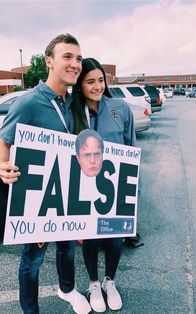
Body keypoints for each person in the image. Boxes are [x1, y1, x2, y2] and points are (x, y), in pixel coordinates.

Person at [0, 33, 91, 314]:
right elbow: (2, 142)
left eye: (79, 58)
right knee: (33, 258)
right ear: (49, 61)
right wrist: (1, 165)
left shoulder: (76, 102)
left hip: (69, 194)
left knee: (68, 249)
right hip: (39, 199)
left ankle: (68, 289)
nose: (75, 64)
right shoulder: (28, 103)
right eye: (67, 57)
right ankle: (30, 309)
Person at [71, 57, 136, 313]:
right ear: (79, 85)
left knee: (115, 239)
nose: (97, 86)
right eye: (90, 81)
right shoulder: (72, 113)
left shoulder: (121, 108)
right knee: (89, 239)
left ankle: (110, 281)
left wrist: (133, 195)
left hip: (116, 189)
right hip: (85, 190)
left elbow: (132, 150)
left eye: (100, 80)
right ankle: (94, 283)